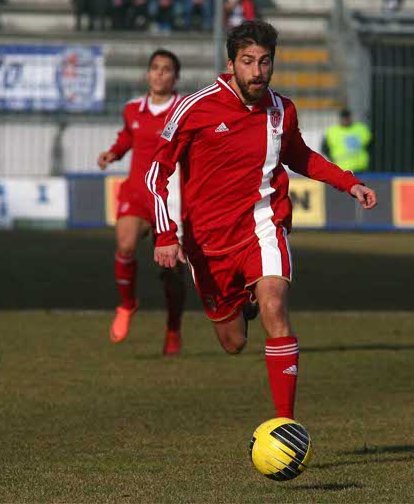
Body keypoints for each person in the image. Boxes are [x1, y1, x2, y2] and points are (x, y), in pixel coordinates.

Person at [145, 21, 378, 419]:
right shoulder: (194, 108)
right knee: (233, 342)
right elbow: (157, 173)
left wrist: (347, 182)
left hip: (262, 226)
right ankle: (242, 303)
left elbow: (299, 154)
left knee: (275, 307)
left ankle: (285, 423)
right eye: (248, 61)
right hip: (208, 244)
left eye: (265, 62)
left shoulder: (281, 109)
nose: (257, 71)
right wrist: (167, 234)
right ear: (231, 63)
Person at [97, 50, 187, 356]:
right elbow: (127, 137)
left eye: (167, 70)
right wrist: (113, 153)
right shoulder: (133, 108)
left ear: (176, 77)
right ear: (148, 74)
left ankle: (173, 328)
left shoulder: (184, 110)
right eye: (155, 69)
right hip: (136, 191)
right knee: (125, 244)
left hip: (171, 197)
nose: (160, 74)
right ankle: (127, 304)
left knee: (172, 272)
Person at [322, 108, 372, 172]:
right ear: (340, 118)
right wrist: (333, 160)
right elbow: (325, 149)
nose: (346, 120)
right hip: (341, 169)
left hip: (361, 168)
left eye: (347, 118)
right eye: (344, 118)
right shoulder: (332, 132)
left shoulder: (361, 129)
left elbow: (370, 145)